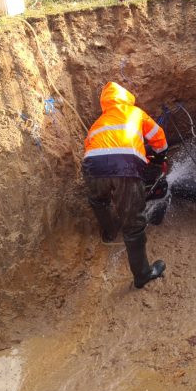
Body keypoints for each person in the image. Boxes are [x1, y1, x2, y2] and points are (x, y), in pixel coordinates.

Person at [83, 82, 168, 289]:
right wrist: (159, 157)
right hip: (126, 169)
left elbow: (90, 147)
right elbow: (159, 137)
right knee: (133, 224)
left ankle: (110, 232)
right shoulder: (135, 112)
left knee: (99, 201)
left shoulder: (98, 123)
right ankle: (142, 274)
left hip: (92, 167)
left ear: (105, 102)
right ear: (125, 97)